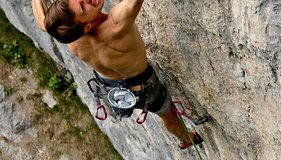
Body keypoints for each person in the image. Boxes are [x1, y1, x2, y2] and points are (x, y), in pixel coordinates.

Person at [31, 0, 203, 149]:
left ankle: (186, 139)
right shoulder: (116, 22)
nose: (87, 0)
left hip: (114, 91)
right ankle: (187, 139)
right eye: (83, 8)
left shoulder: (69, 35)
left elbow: (43, 23)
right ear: (87, 26)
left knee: (164, 115)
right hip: (146, 87)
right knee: (169, 116)